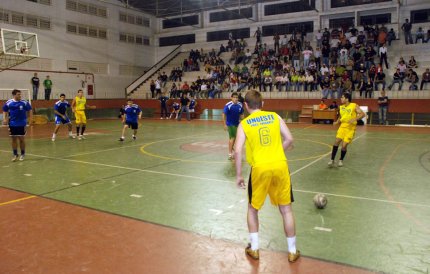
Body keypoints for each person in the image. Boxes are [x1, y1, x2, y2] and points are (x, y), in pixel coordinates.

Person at [234, 90, 299, 263]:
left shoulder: (245, 124)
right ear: (263, 104)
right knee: (286, 210)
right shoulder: (275, 117)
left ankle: (254, 248)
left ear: (246, 106)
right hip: (280, 165)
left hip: (260, 168)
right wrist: (278, 150)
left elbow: (238, 150)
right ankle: (292, 251)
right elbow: (290, 139)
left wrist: (239, 175)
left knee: (252, 209)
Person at [328, 92, 365, 167]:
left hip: (350, 128)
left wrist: (354, 119)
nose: (341, 98)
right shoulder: (341, 107)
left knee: (344, 145)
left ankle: (341, 160)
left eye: (342, 97)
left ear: (347, 99)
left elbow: (362, 114)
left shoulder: (354, 106)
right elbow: (341, 117)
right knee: (336, 141)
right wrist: (337, 122)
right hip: (342, 127)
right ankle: (332, 159)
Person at [2, 89, 32, 161]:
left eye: (20, 94)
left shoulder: (24, 102)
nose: (20, 95)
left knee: (21, 138)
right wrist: (5, 119)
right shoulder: (9, 102)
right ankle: (15, 154)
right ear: (14, 95)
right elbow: (5, 110)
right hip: (12, 123)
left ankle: (22, 154)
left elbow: (30, 110)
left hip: (22, 123)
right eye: (18, 94)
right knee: (13, 139)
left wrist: (30, 120)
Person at [222, 92, 244, 160]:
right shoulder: (228, 105)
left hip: (237, 124)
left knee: (233, 138)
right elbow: (223, 114)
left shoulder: (240, 104)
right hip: (230, 124)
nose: (235, 99)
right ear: (231, 98)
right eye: (234, 97)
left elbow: (241, 114)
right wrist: (224, 124)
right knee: (233, 138)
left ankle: (234, 151)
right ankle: (230, 153)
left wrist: (243, 121)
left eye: (237, 97)